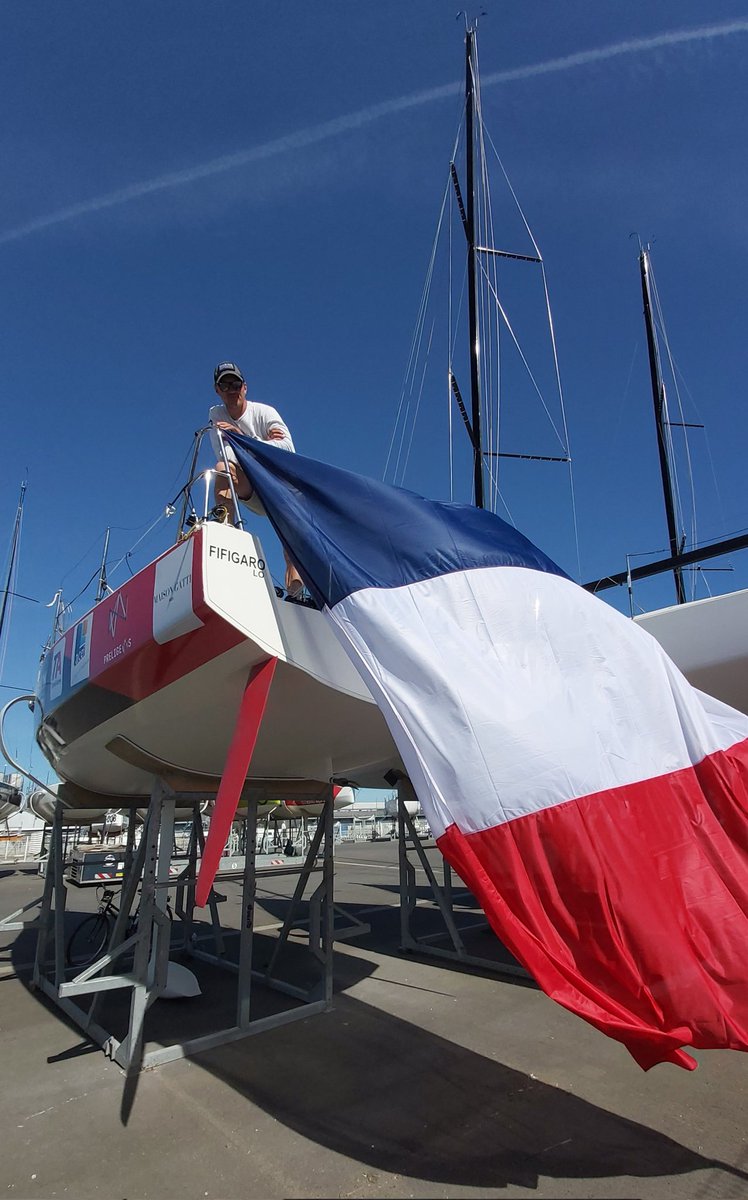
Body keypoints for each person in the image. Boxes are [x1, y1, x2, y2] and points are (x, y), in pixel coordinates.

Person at [208, 361, 304, 598]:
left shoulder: (265, 412)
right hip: (250, 486)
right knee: (221, 468)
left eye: (236, 384)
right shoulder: (215, 415)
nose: (231, 389)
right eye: (225, 385)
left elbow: (287, 448)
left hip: (278, 486)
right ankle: (225, 539)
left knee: (290, 545)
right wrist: (262, 445)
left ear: (245, 387)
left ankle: (297, 595)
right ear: (217, 390)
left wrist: (244, 440)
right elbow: (225, 454)